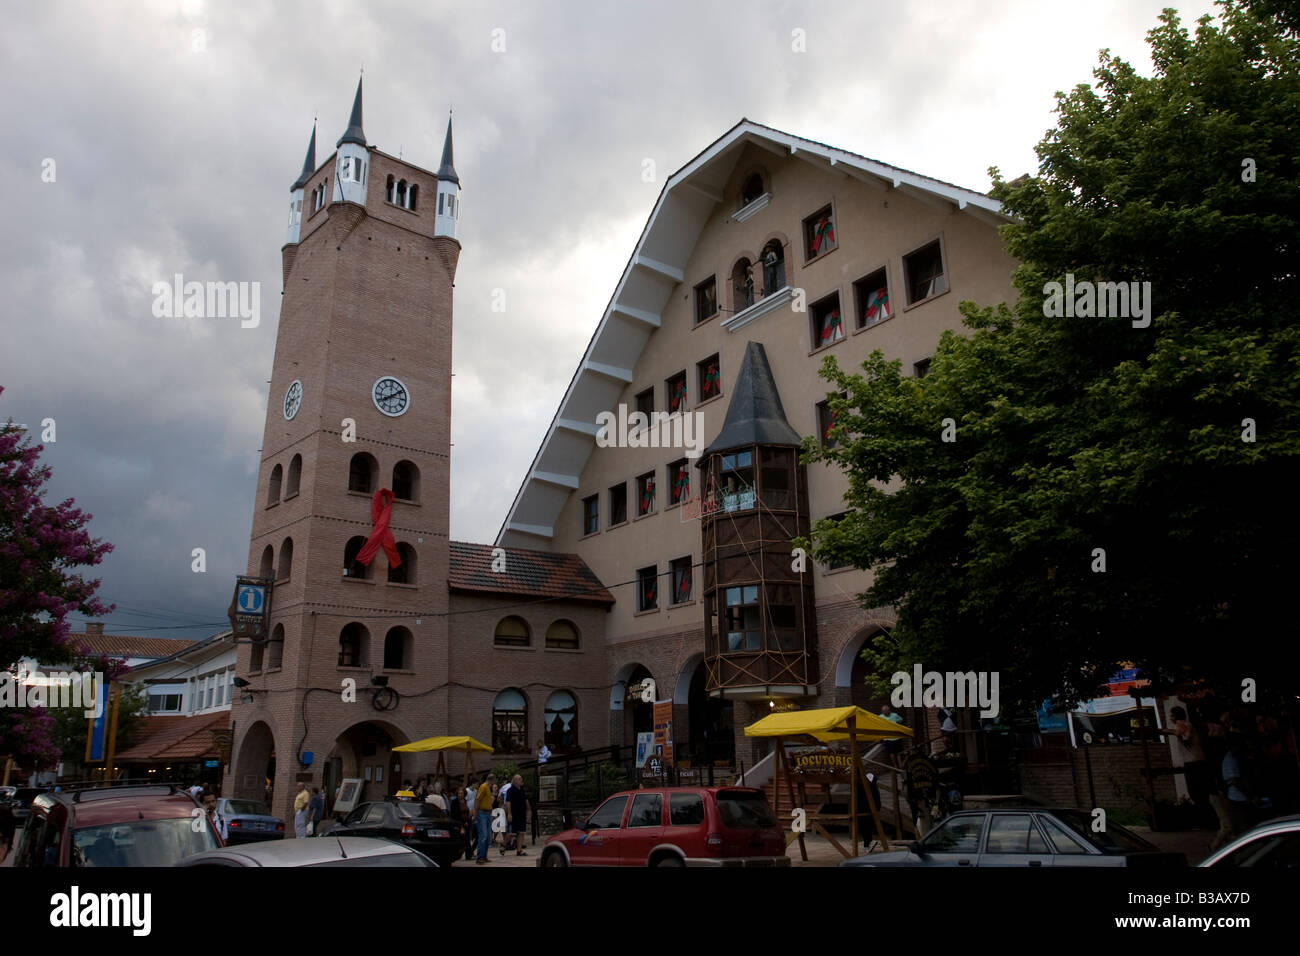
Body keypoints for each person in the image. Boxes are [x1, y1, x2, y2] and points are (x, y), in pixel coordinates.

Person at [504, 774, 531, 856]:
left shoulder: (522, 790)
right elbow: (508, 803)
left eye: (521, 778)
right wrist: (509, 814)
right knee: (511, 833)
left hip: (522, 814)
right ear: (515, 781)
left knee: (521, 832)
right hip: (514, 814)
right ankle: (503, 844)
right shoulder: (510, 790)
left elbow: (526, 800)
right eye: (519, 779)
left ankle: (519, 850)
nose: (521, 780)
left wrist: (529, 810)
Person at [474, 772, 497, 864]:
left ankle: (484, 855)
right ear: (491, 780)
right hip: (482, 813)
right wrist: (476, 813)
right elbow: (477, 800)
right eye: (494, 781)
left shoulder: (488, 788)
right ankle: (480, 857)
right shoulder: (483, 787)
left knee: (488, 836)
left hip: (488, 813)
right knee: (483, 835)